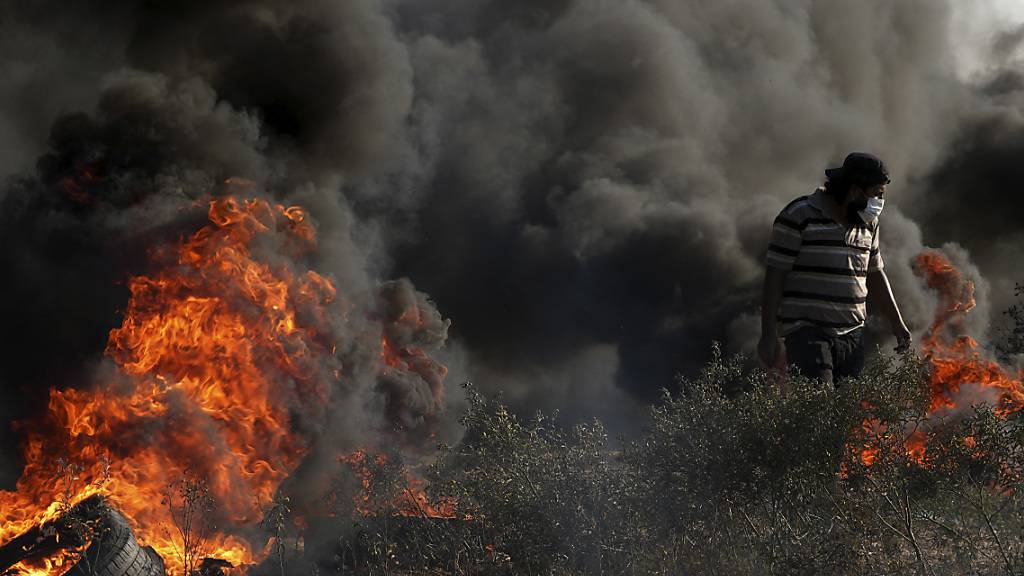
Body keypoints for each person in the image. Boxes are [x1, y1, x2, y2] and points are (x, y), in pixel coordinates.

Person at [758, 152, 912, 384]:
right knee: (819, 410)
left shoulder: (868, 224)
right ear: (854, 190)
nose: (879, 204)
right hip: (808, 333)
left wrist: (897, 323)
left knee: (845, 415)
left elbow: (875, 274)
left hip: (852, 336)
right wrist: (768, 333)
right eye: (876, 195)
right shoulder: (800, 215)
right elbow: (775, 275)